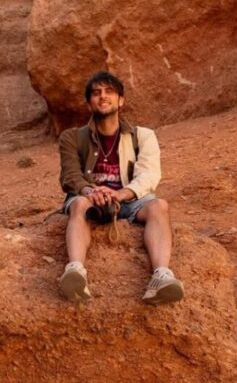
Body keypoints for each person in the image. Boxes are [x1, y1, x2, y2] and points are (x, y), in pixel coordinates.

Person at [58, 70, 184, 306]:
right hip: (89, 197)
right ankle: (75, 271)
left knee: (159, 205)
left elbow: (149, 174)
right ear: (89, 104)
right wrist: (90, 191)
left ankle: (161, 276)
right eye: (96, 93)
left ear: (121, 100)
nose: (103, 97)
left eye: (109, 92)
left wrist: (121, 194)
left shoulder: (143, 136)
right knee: (78, 204)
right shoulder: (72, 138)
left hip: (128, 199)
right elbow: (70, 175)